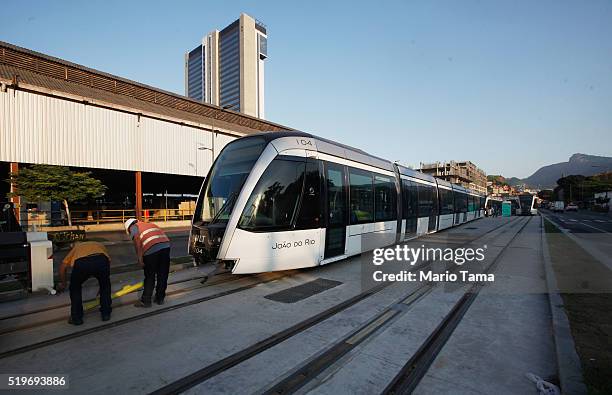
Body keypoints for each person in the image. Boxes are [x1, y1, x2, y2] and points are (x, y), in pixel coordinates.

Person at [57, 241, 112, 325]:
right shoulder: (99, 244)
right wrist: (103, 283)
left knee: (75, 287)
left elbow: (62, 268)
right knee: (105, 285)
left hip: (83, 263)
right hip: (101, 260)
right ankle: (106, 314)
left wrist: (63, 284)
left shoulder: (76, 248)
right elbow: (108, 260)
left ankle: (76, 318)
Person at [124, 218, 171, 307]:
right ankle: (160, 298)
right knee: (163, 274)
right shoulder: (150, 224)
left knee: (150, 275)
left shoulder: (134, 227)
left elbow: (137, 242)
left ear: (129, 227)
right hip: (165, 247)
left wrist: (140, 259)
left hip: (151, 249)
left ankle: (146, 301)